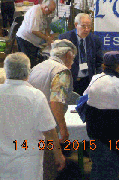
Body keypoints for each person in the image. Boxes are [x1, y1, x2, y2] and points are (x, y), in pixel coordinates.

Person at [0, 52, 66, 179]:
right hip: (28, 160)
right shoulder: (36, 96)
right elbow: (49, 131)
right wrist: (58, 153)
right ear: (27, 72)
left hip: (0, 157)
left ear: (6, 71)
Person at [28, 39, 76, 180]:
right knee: (48, 170)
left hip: (30, 127)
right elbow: (56, 102)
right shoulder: (61, 72)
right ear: (68, 55)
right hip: (47, 130)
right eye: (73, 57)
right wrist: (63, 129)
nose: (73, 62)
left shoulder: (37, 67)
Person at [84, 51, 119, 179]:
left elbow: (85, 96)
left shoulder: (96, 78)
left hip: (94, 134)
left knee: (97, 167)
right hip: (112, 136)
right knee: (111, 169)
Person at [59, 13, 103, 95]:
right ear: (76, 25)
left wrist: (98, 79)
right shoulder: (65, 38)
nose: (86, 29)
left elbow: (99, 62)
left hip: (88, 80)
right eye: (83, 26)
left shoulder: (95, 40)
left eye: (89, 26)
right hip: (70, 80)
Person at [16, 0, 56, 68]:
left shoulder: (43, 13)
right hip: (26, 40)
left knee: (32, 62)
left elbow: (45, 27)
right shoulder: (36, 11)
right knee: (27, 64)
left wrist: (48, 37)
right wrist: (46, 38)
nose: (50, 13)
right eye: (50, 11)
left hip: (32, 41)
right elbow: (34, 30)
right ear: (45, 7)